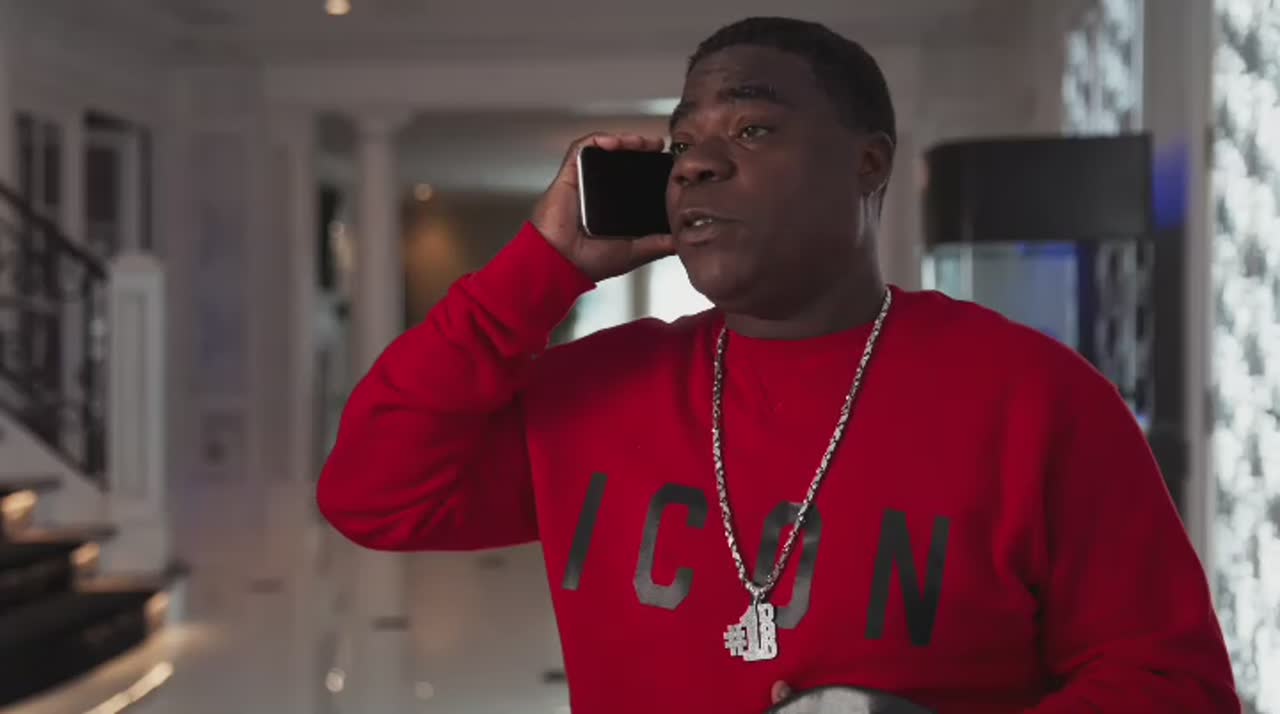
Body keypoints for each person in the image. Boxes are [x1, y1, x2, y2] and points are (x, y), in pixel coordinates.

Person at [317, 16, 1239, 714]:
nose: (695, 165)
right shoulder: (598, 390)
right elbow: (372, 493)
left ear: (868, 163)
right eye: (683, 142)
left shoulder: (1038, 399)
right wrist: (541, 267)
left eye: (753, 129)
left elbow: (1174, 683)